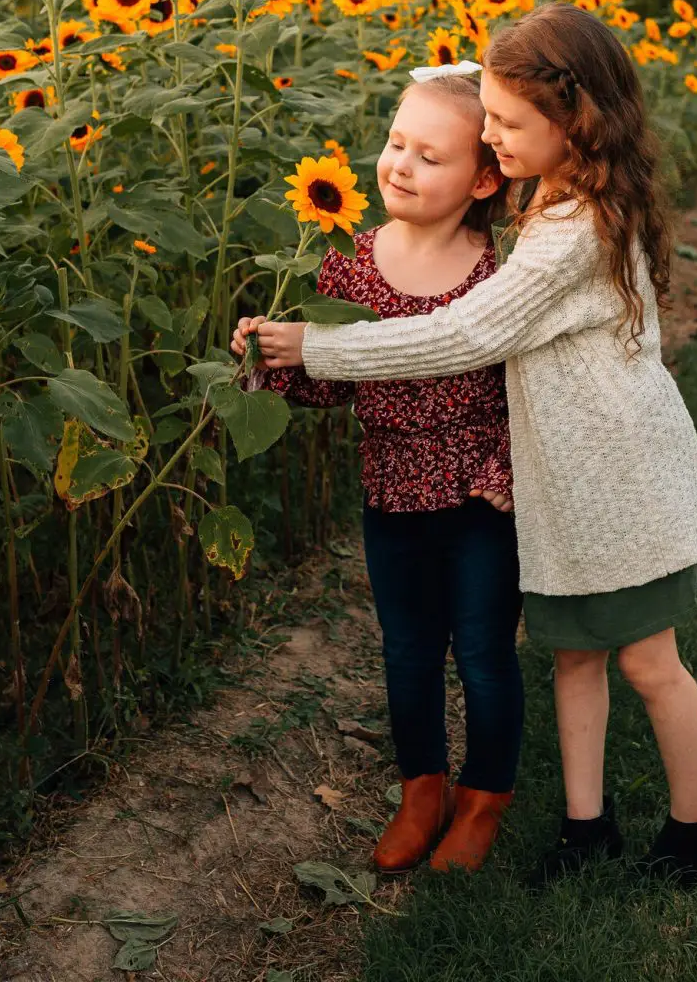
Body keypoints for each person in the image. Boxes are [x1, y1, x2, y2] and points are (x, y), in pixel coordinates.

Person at [241, 4, 697, 886]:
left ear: (571, 122)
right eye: (491, 123)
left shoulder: (574, 233)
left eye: (507, 125)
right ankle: (587, 830)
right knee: (575, 656)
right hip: (569, 485)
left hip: (621, 479)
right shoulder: (556, 201)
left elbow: (464, 337)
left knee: (648, 661)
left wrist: (317, 345)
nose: (494, 138)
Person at [241, 65, 524, 874]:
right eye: (396, 143)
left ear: (482, 178)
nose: (399, 164)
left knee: (483, 653)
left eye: (429, 157)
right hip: (391, 492)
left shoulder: (497, 274)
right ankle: (422, 791)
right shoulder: (350, 265)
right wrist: (266, 361)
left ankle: (483, 801)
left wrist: (504, 466)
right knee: (406, 650)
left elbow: (527, 391)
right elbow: (325, 379)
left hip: (480, 499)